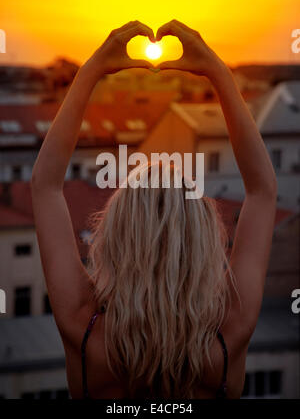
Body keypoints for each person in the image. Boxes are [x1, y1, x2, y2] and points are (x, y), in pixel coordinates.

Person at [31, 20, 277, 399]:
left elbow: (46, 187)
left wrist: (92, 70)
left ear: (116, 235)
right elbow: (262, 191)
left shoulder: (83, 324)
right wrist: (216, 71)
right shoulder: (230, 328)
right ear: (202, 239)